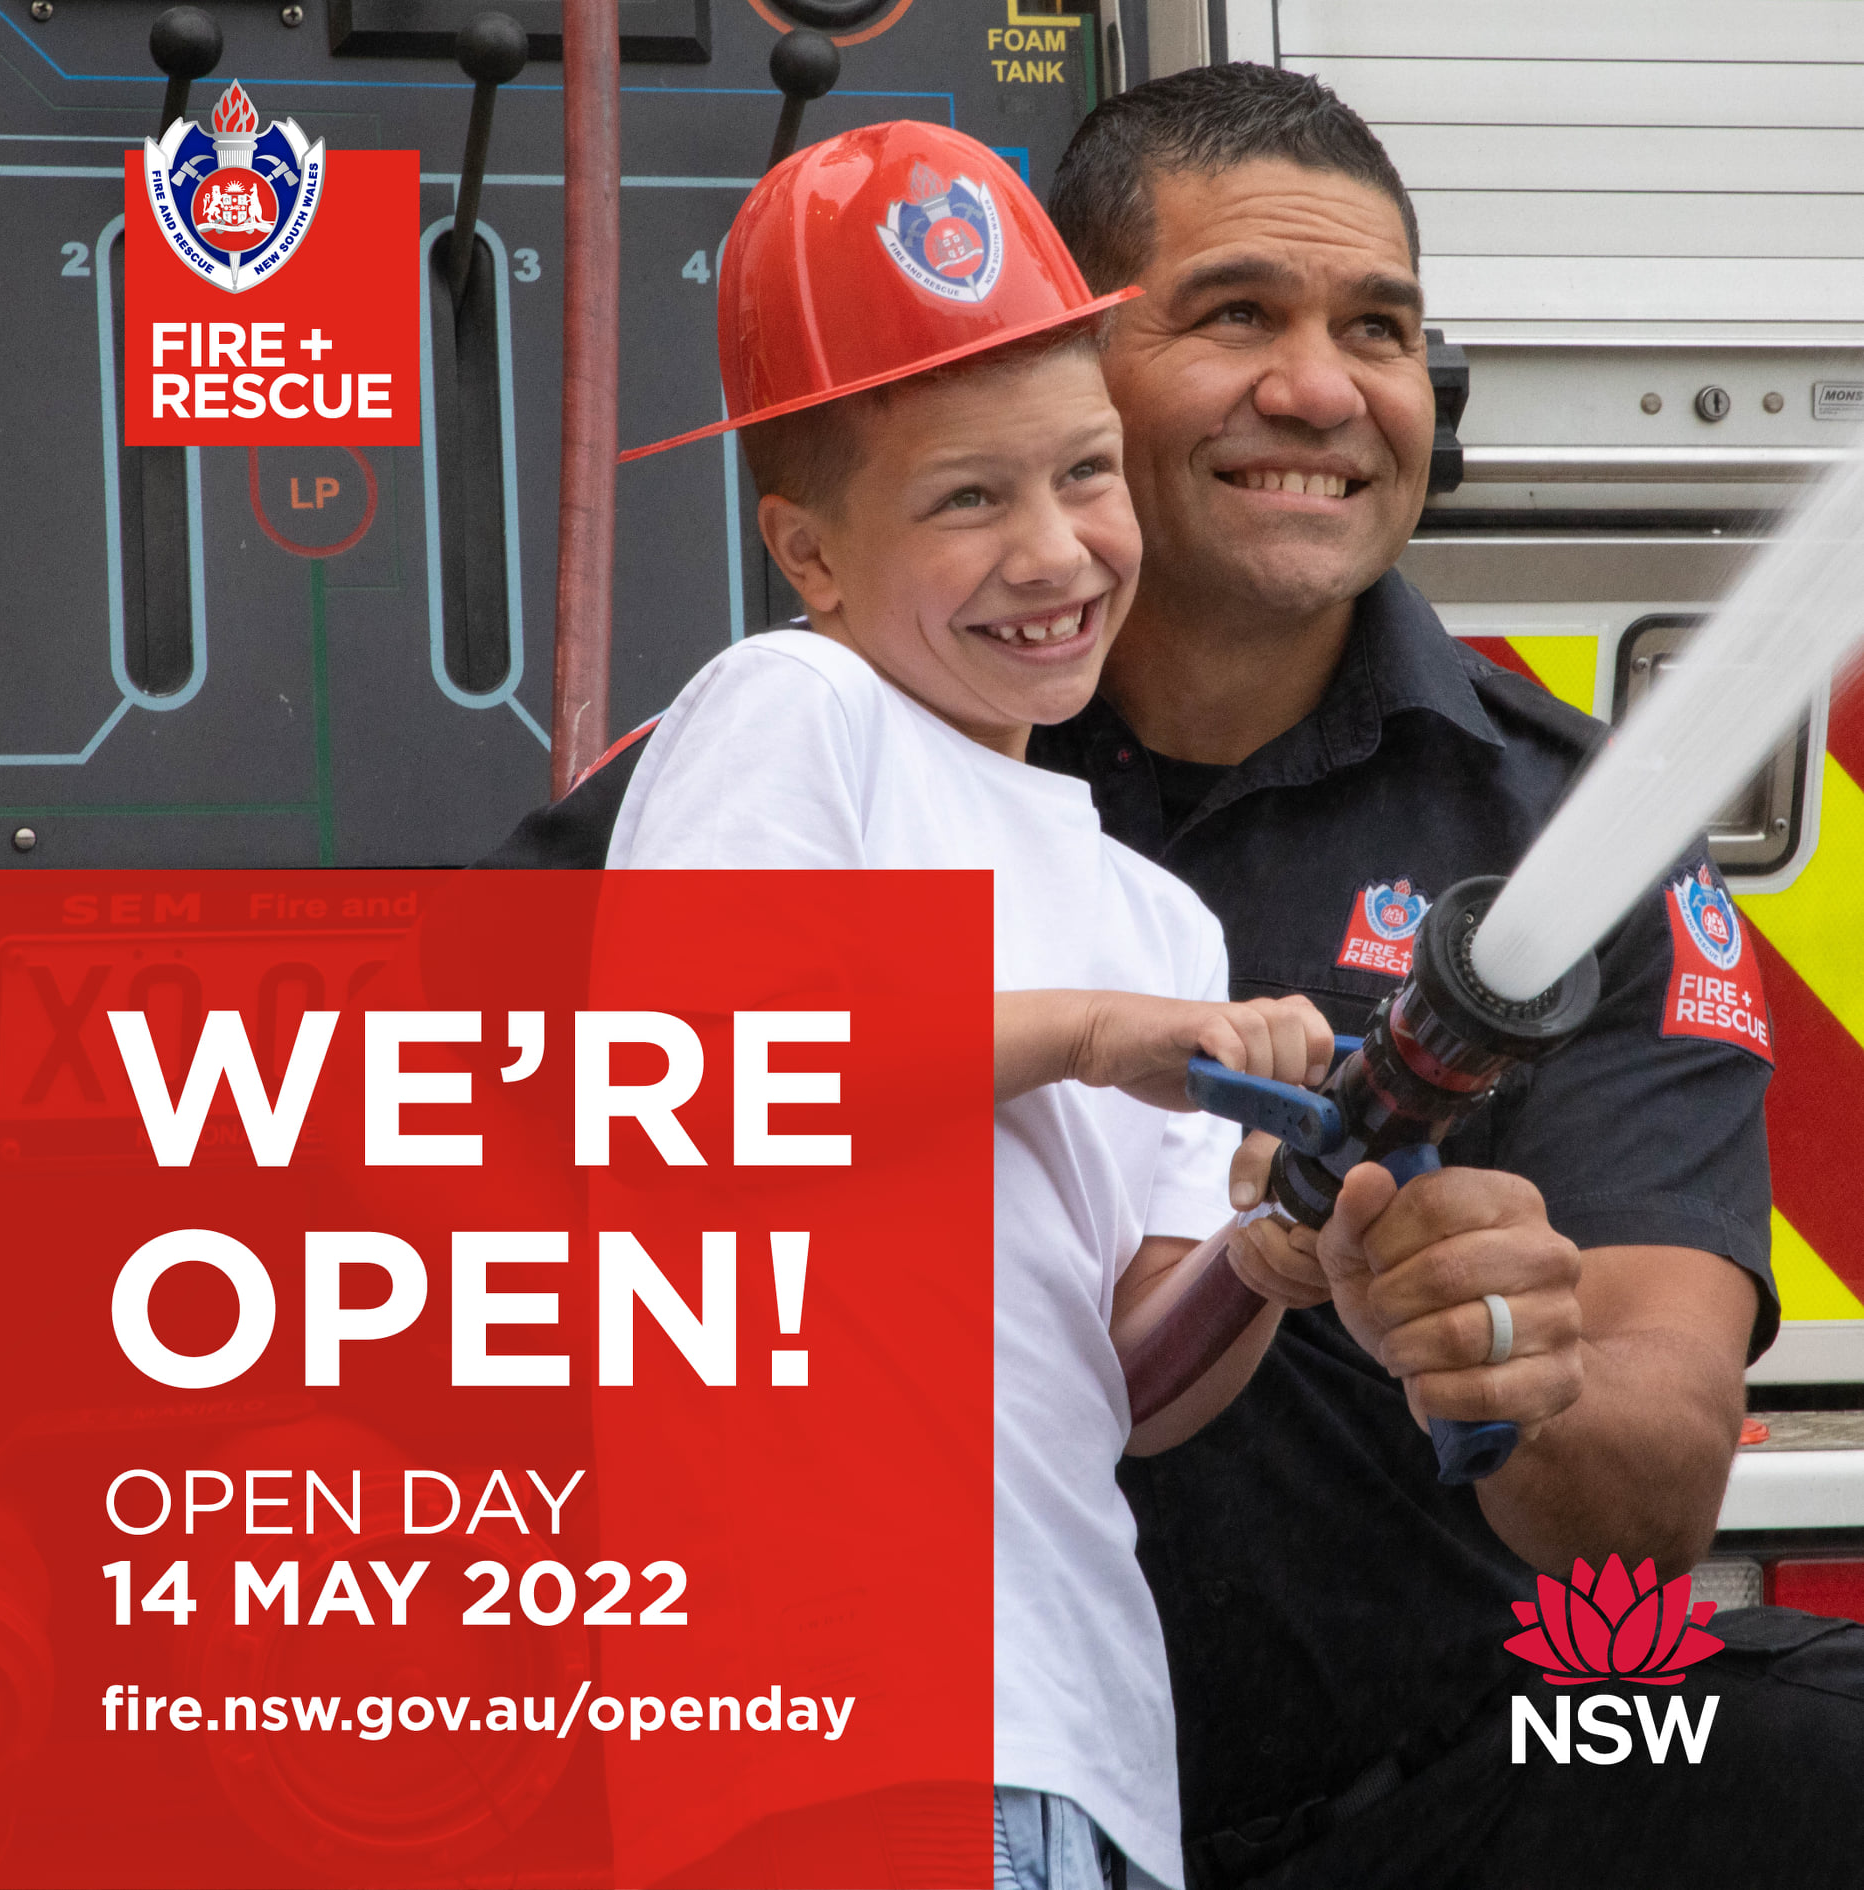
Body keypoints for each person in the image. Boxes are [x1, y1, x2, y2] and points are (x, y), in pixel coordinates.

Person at [1031, 60, 1864, 1890]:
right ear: (1059, 375)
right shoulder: (826, 775)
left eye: (1379, 328)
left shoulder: (1568, 846)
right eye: (1236, 312)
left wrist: (1514, 1365)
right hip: (913, 1771)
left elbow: (1644, 1506)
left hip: (1432, 1783)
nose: (1322, 388)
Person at [600, 119, 1339, 1890]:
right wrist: (1093, 1036)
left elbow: (1139, 1388)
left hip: (1076, 1755)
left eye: (1083, 474)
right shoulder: (792, 711)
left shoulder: (1153, 915)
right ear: (809, 557)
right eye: (965, 497)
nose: (1056, 551)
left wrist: (1269, 1239)